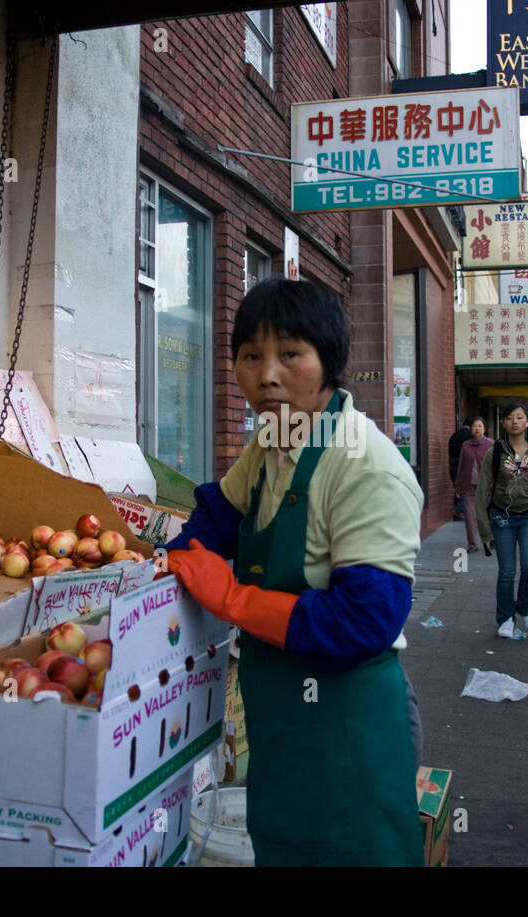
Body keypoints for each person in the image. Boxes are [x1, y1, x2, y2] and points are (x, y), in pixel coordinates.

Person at [165, 277, 424, 866]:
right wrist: (166, 564)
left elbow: (364, 621)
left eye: (290, 354)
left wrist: (231, 598)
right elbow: (217, 517)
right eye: (251, 356)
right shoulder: (272, 439)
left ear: (327, 363)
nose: (267, 375)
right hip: (283, 715)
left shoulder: (366, 467)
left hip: (347, 721)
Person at [475, 404, 528, 638]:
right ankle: (505, 618)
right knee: (507, 572)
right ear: (503, 423)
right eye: (510, 418)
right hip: (502, 518)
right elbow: (482, 492)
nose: (514, 421)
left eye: (519, 417)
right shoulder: (495, 453)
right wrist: (485, 532)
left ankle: (526, 607)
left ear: (526, 422)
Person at [455, 416, 494, 556]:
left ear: (484, 429)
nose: (477, 429)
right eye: (474, 426)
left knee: (486, 515)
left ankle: (491, 538)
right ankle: (472, 544)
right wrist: (457, 485)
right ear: (470, 429)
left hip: (486, 486)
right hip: (467, 485)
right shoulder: (465, 445)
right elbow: (461, 465)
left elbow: (495, 466)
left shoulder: (491, 444)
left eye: (479, 426)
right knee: (470, 517)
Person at [448, 419, 472, 519]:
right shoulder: (470, 436)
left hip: (453, 463)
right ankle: (460, 510)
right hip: (464, 464)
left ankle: (458, 509)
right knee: (465, 487)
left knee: (458, 486)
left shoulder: (454, 435)